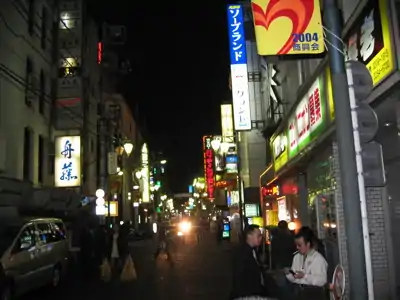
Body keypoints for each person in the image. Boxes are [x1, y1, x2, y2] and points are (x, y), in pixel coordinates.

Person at [280, 226, 328, 300]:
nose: (297, 247)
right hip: (298, 293)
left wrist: (304, 276)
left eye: (299, 245)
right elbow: (295, 279)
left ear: (308, 244)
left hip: (313, 295)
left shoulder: (318, 259)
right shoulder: (297, 257)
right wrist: (289, 273)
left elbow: (322, 281)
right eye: (296, 245)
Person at [230, 225, 266, 299]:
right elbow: (238, 276)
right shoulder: (242, 253)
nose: (261, 238)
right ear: (249, 236)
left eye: (261, 236)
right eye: (258, 236)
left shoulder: (254, 250)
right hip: (247, 294)